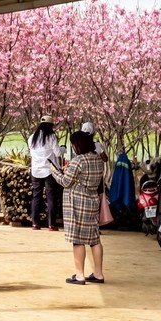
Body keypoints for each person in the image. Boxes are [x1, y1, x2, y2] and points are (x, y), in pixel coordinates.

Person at [50, 130, 105, 285]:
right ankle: (98, 273)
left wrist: (55, 173)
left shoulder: (78, 160)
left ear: (78, 145)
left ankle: (79, 275)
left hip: (77, 203)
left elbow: (66, 182)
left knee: (78, 239)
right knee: (95, 239)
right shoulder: (98, 159)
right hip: (93, 201)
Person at [28, 115, 62, 231]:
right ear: (50, 126)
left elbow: (32, 153)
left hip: (36, 170)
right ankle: (51, 224)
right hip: (48, 171)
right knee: (50, 196)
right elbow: (57, 153)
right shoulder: (51, 137)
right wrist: (63, 149)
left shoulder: (32, 137)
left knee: (36, 196)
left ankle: (35, 223)